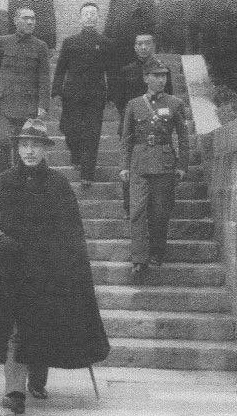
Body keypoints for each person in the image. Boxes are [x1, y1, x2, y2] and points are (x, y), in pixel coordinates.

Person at [0, 118, 110, 415]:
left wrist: (59, 258)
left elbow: (71, 232)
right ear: (18, 148)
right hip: (10, 273)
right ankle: (14, 390)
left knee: (41, 326)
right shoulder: (3, 182)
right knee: (14, 330)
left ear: (46, 150)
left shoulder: (58, 185)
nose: (30, 151)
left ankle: (38, 380)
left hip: (46, 273)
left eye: (36, 145)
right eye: (24, 145)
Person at [119, 58, 189, 276]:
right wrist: (124, 165)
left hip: (164, 163)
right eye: (156, 76)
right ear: (145, 78)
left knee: (160, 211)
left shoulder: (175, 103)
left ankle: (157, 251)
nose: (161, 80)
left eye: (164, 75)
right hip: (139, 163)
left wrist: (182, 165)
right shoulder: (134, 104)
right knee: (136, 212)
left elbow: (183, 137)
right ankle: (139, 259)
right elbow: (126, 138)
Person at [51, 2, 114, 188]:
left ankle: (88, 173)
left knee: (92, 133)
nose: (89, 16)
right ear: (80, 18)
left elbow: (110, 71)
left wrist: (111, 95)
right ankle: (76, 155)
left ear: (98, 18)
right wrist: (56, 90)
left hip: (95, 95)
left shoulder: (105, 43)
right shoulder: (70, 42)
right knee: (69, 129)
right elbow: (61, 69)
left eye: (93, 13)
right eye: (85, 13)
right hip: (72, 94)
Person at [115, 33, 174, 218]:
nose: (143, 47)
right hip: (132, 126)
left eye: (147, 44)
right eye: (139, 44)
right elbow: (119, 98)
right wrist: (130, 117)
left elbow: (169, 98)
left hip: (157, 127)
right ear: (134, 47)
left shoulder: (164, 71)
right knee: (130, 167)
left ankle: (155, 207)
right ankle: (129, 206)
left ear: (153, 46)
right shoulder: (127, 70)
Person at [0, 7, 50, 176]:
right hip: (4, 104)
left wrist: (43, 105)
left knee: (23, 151)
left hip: (27, 106)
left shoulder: (40, 47)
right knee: (1, 141)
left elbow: (44, 78)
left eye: (33, 18)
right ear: (15, 21)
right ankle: (1, 182)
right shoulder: (3, 41)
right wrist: (4, 86)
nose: (30, 22)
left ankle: (19, 186)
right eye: (25, 18)